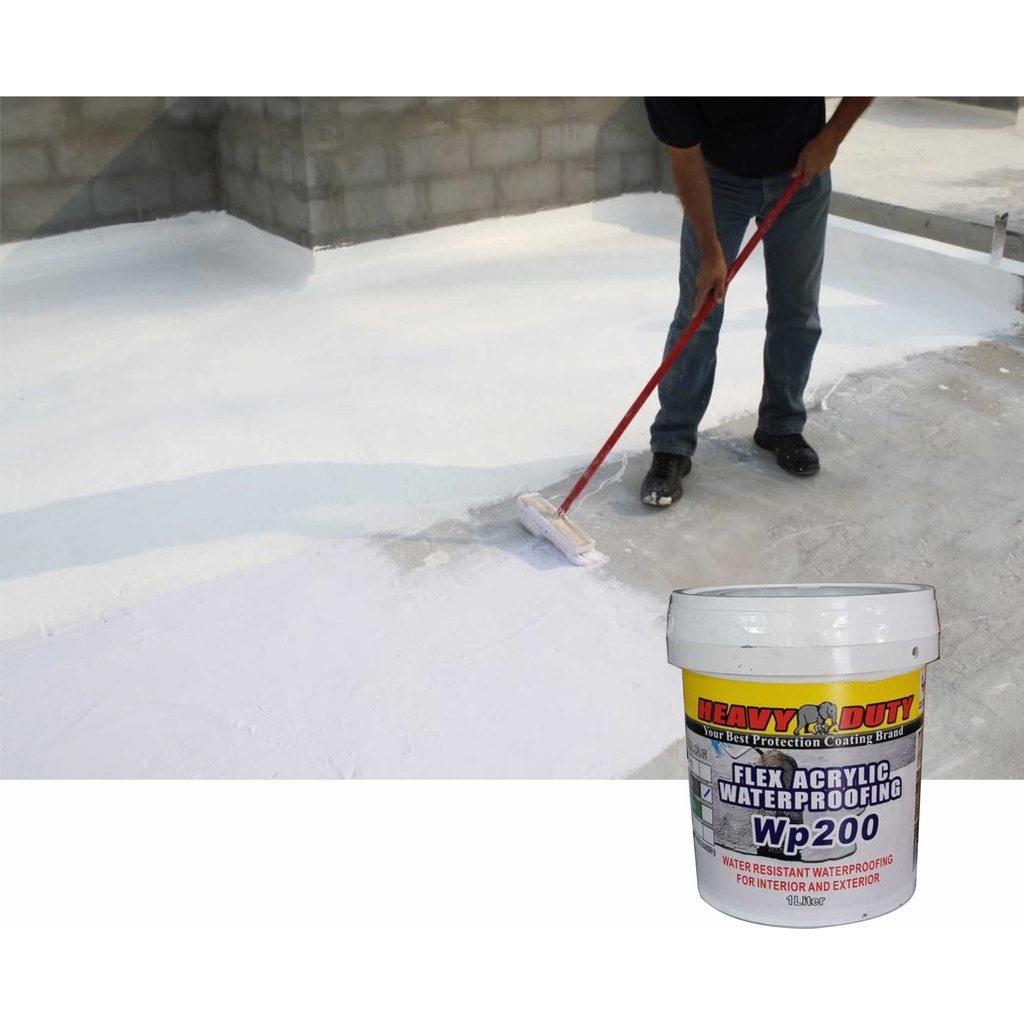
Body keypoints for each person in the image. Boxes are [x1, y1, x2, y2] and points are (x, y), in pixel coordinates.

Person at [640, 97, 873, 506]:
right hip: (719, 181)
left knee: (797, 308)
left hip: (802, 174)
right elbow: (685, 159)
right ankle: (672, 444)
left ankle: (781, 425)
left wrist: (831, 137)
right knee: (699, 312)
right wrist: (711, 252)